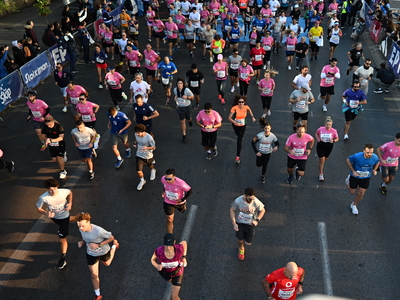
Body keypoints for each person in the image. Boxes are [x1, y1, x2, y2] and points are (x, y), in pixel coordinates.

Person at [76, 212, 119, 300]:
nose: (81, 228)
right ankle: (97, 294)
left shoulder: (98, 231)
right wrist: (82, 242)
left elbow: (111, 238)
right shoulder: (81, 229)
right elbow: (84, 236)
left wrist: (98, 245)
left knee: (107, 264)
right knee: (94, 275)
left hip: (103, 251)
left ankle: (114, 246)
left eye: (83, 226)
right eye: (79, 226)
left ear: (88, 222)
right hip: (91, 253)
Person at [36, 178, 73, 269]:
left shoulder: (63, 192)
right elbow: (38, 208)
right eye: (50, 190)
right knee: (63, 223)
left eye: (54, 189)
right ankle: (79, 217)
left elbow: (70, 193)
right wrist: (46, 213)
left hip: (64, 216)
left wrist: (70, 203)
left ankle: (63, 258)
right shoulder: (43, 197)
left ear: (57, 187)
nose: (53, 192)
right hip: (55, 218)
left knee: (62, 239)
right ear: (47, 189)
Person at [229, 187, 265, 260]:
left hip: (250, 224)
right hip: (240, 223)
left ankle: (244, 244)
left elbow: (263, 210)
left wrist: (257, 220)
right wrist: (234, 223)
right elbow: (232, 210)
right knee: (240, 240)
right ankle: (241, 248)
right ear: (245, 196)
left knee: (248, 243)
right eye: (250, 199)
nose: (251, 200)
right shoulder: (238, 201)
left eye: (253, 198)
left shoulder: (256, 201)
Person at [151, 233, 187, 300]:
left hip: (178, 273)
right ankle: (172, 281)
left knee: (174, 297)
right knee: (170, 281)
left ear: (174, 242)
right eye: (166, 245)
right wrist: (157, 266)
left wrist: (184, 257)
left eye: (170, 245)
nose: (168, 248)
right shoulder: (159, 251)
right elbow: (152, 259)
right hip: (165, 273)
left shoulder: (179, 248)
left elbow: (184, 243)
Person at [345, 144, 379, 215]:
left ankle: (354, 205)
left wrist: (375, 170)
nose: (369, 154)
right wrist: (353, 171)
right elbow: (348, 160)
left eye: (371, 152)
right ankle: (348, 180)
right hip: (355, 176)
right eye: (367, 152)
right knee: (352, 192)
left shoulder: (375, 157)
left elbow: (377, 162)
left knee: (361, 193)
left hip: (366, 177)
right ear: (364, 151)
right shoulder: (357, 156)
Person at [161, 169, 193, 233]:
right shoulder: (163, 179)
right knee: (169, 219)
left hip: (179, 202)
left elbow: (190, 191)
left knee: (182, 211)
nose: (167, 180)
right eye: (166, 178)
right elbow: (165, 185)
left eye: (169, 179)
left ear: (174, 177)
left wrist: (182, 199)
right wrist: (164, 191)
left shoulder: (181, 183)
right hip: (168, 201)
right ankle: (170, 236)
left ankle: (183, 206)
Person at [228, 95, 256, 163]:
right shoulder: (234, 108)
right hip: (235, 125)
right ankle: (240, 136)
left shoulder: (246, 107)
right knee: (238, 135)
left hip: (243, 125)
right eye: (239, 102)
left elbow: (249, 110)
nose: (241, 103)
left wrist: (252, 117)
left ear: (244, 102)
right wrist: (235, 122)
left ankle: (237, 156)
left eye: (242, 102)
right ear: (237, 102)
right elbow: (229, 118)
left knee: (239, 139)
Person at [133, 124, 156, 190]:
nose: (137, 134)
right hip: (139, 155)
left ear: (143, 131)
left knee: (150, 166)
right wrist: (134, 143)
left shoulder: (149, 138)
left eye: (139, 133)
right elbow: (137, 140)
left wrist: (147, 148)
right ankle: (142, 180)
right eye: (136, 133)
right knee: (138, 171)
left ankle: (153, 170)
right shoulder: (136, 134)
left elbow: (154, 147)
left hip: (148, 155)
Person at [315, 117, 339, 181]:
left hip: (329, 146)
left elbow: (337, 138)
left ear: (332, 125)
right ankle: (321, 174)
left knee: (325, 159)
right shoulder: (320, 129)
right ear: (324, 124)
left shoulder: (334, 131)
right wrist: (317, 139)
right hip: (321, 145)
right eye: (327, 124)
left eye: (330, 125)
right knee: (322, 160)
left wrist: (333, 141)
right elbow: (316, 133)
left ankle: (321, 164)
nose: (328, 126)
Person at [173, 78, 195, 143]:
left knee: (188, 118)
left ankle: (190, 120)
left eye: (181, 83)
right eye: (178, 83)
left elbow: (193, 97)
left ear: (183, 84)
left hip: (187, 106)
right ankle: (184, 135)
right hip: (179, 107)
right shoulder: (175, 90)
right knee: (182, 121)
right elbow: (176, 96)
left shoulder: (187, 90)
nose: (179, 85)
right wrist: (175, 98)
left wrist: (187, 97)